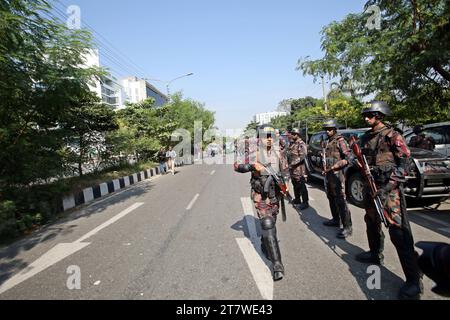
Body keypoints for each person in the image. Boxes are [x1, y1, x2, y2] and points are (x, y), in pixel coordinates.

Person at [356, 101, 423, 300]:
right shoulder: (366, 137)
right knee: (371, 221)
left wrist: (387, 187)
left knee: (398, 233)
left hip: (389, 190)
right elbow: (358, 158)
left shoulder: (393, 136)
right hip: (371, 187)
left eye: (370, 115)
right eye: (366, 115)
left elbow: (405, 163)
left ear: (380, 116)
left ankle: (413, 281)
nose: (366, 119)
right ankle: (375, 253)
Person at [234, 124, 289, 281]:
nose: (269, 139)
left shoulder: (279, 152)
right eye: (266, 136)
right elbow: (237, 166)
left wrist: (286, 186)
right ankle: (277, 265)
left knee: (272, 222)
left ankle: (266, 244)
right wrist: (252, 165)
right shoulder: (253, 152)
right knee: (267, 223)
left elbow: (285, 171)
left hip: (275, 195)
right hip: (261, 195)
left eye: (271, 136)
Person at [321, 120, 353, 239]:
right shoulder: (326, 142)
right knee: (331, 197)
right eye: (326, 129)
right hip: (328, 175)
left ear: (335, 129)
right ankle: (335, 219)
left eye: (330, 129)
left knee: (341, 200)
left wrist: (336, 166)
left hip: (338, 175)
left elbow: (348, 158)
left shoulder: (340, 141)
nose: (328, 131)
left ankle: (347, 227)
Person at [288, 128, 309, 210]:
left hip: (299, 169)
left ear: (297, 135)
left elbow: (302, 156)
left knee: (302, 186)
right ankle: (297, 199)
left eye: (293, 134)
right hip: (293, 169)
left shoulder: (301, 143)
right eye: (292, 134)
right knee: (295, 185)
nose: (292, 135)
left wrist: (292, 164)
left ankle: (305, 202)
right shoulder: (293, 143)